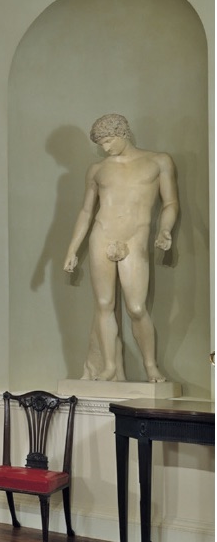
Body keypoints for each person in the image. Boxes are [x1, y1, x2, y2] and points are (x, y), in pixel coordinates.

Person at [63, 113, 177, 382]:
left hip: (135, 238)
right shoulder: (97, 169)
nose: (105, 148)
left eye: (108, 141)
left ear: (123, 133)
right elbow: (86, 211)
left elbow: (171, 203)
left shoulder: (158, 161)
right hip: (101, 236)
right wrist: (72, 250)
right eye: (101, 143)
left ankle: (151, 367)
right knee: (104, 304)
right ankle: (110, 366)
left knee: (136, 308)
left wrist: (165, 230)